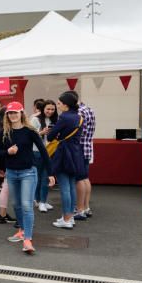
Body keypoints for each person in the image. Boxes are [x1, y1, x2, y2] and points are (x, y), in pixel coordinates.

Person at [0, 103, 54, 255]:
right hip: (11, 173)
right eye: (10, 113)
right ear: (7, 115)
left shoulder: (30, 131)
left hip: (28, 172)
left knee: (27, 205)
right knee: (16, 204)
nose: (13, 115)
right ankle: (21, 231)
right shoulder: (4, 132)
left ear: (21, 113)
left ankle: (28, 239)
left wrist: (51, 173)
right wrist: (7, 152)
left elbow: (43, 151)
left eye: (15, 112)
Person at [46, 92, 86, 229]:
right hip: (76, 153)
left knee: (64, 188)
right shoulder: (79, 117)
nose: (58, 105)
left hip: (64, 153)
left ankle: (67, 218)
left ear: (65, 104)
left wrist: (53, 133)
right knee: (71, 186)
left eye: (59, 103)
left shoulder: (64, 117)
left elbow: (51, 136)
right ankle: (70, 216)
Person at [72, 91, 96, 220]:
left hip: (79, 147)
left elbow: (75, 132)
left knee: (79, 179)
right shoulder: (89, 109)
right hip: (87, 147)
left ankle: (80, 209)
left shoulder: (79, 112)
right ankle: (86, 207)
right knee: (85, 178)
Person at [32, 100, 58, 212]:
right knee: (37, 177)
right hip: (37, 151)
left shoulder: (55, 119)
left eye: (52, 109)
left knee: (47, 177)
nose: (50, 111)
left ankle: (43, 201)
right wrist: (41, 133)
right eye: (48, 109)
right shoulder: (35, 119)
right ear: (43, 108)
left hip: (50, 151)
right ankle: (37, 200)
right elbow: (29, 135)